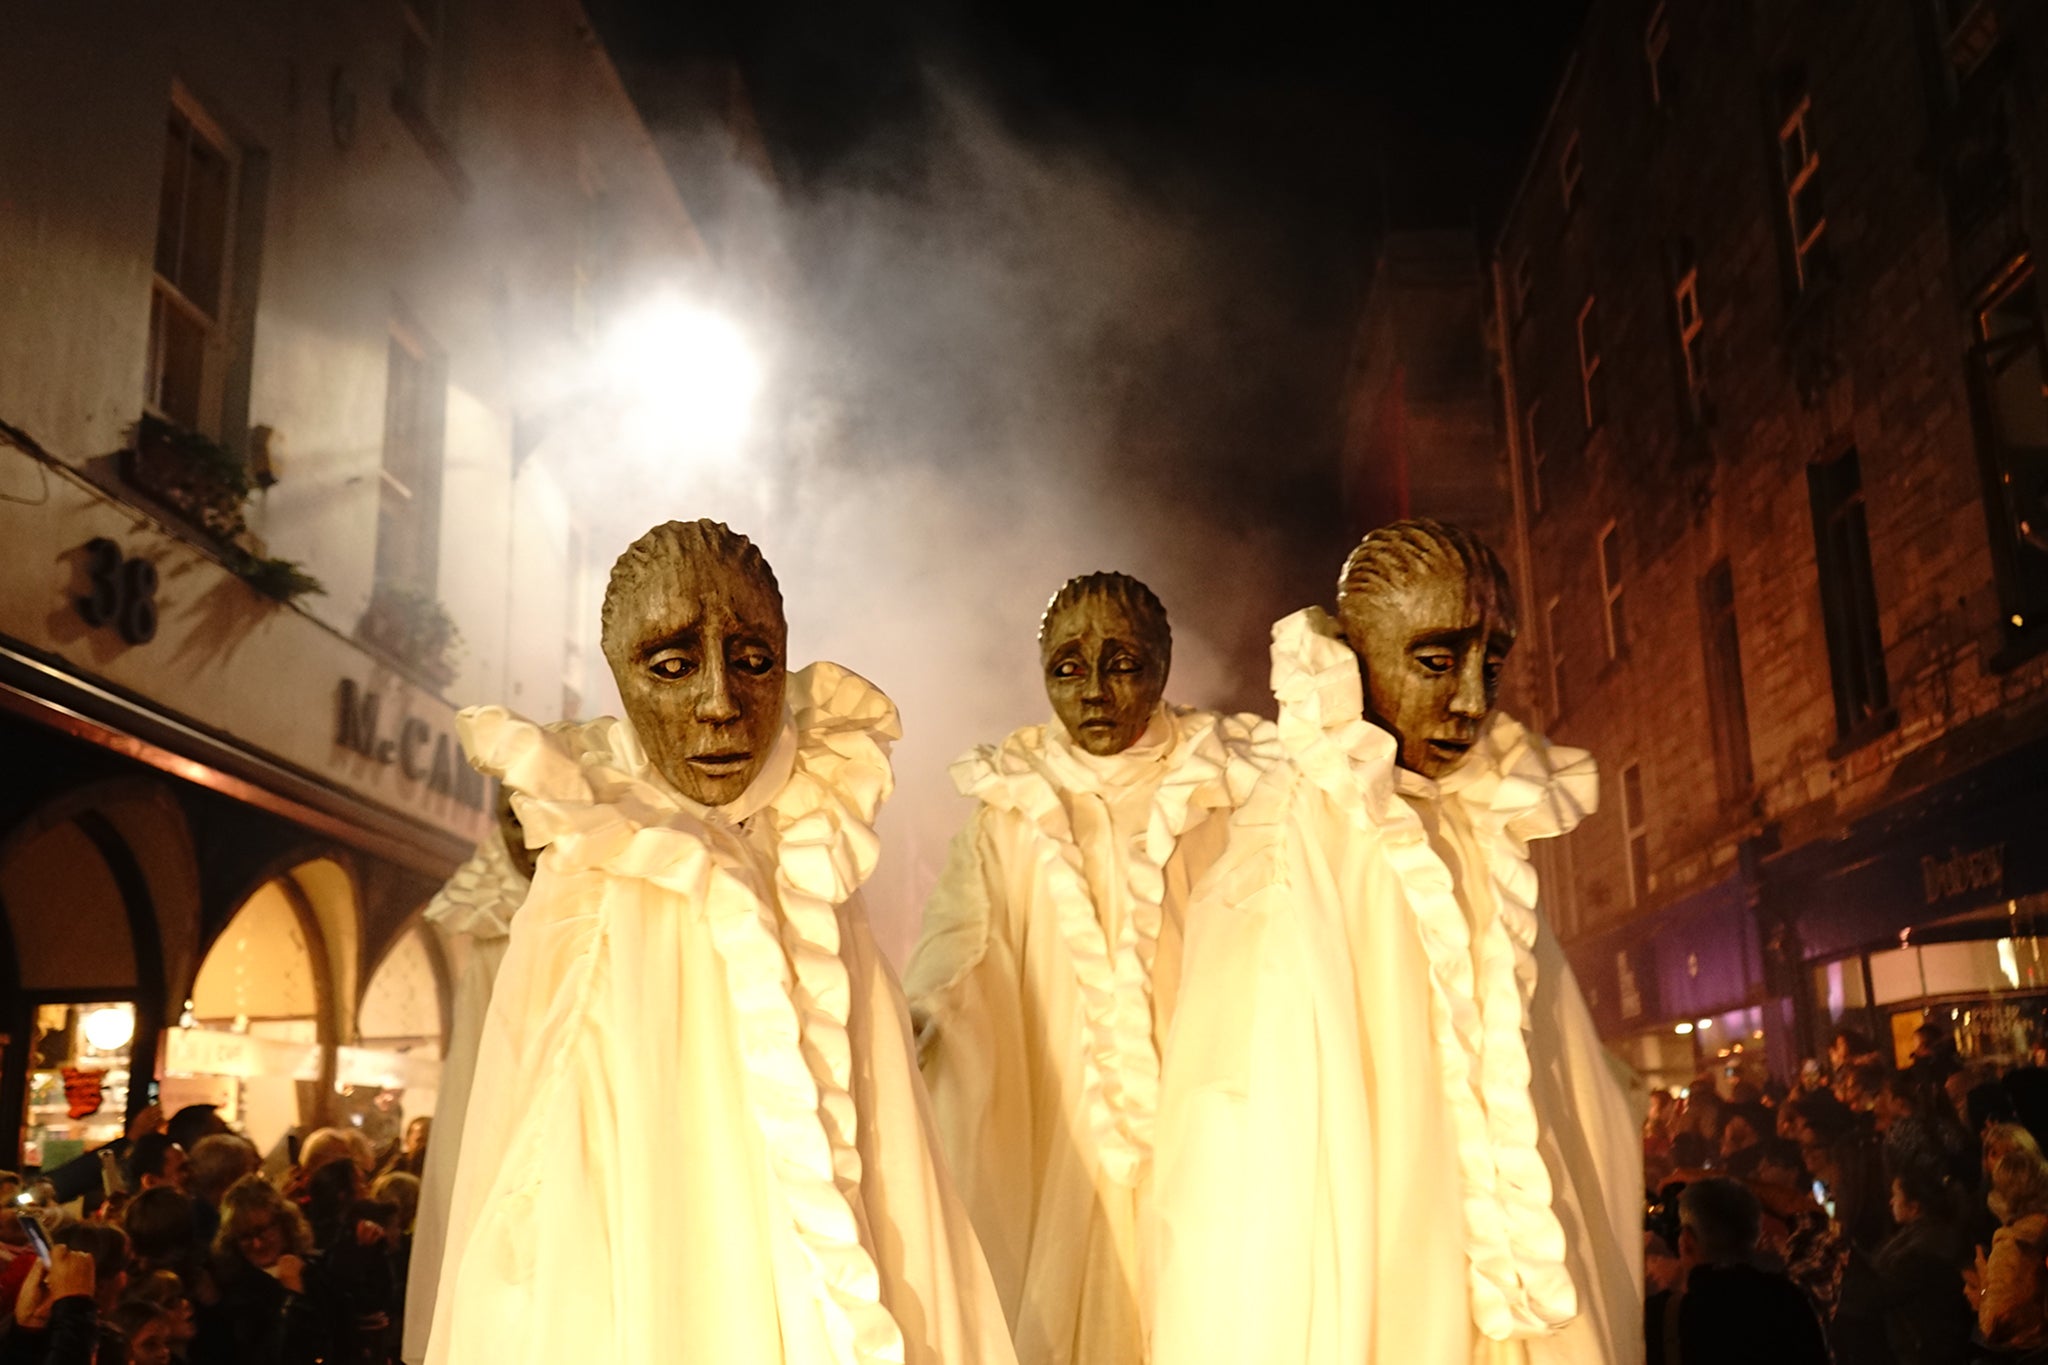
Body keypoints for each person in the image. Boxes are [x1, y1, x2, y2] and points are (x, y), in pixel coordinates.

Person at [428, 521, 1015, 1365]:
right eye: (670, 666)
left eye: (751, 660)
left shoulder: (813, 857)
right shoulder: (594, 883)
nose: (719, 702)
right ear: (624, 680)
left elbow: (893, 1172)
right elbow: (550, 1180)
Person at [1152, 520, 1640, 1365]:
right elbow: (1256, 1126)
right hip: (1373, 1269)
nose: (1472, 702)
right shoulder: (1290, 838)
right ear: (1357, 659)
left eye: (1491, 665)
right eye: (1437, 660)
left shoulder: (1477, 829)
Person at [903, 572, 1273, 1365]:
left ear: (1163, 666)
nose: (1095, 691)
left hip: (1206, 1115)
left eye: (1122, 662)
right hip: (1061, 1127)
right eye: (1069, 667)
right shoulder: (1012, 808)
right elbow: (964, 939)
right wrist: (924, 1014)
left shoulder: (1231, 788)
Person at [402, 784, 540, 1365]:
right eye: (508, 813)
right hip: (501, 1117)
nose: (522, 830)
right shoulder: (490, 935)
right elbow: (474, 1074)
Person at [1644, 1177, 1829, 1365]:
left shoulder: (1661, 1319)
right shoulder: (1791, 1303)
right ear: (1755, 1240)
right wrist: (1717, 1181)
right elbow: (1813, 1220)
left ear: (1687, 1241)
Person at [1872, 1167, 1972, 1365]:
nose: (1891, 1202)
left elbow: (1883, 1291)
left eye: (1896, 1195)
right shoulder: (1926, 1235)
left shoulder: (1923, 1248)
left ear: (1914, 1206)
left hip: (1925, 1348)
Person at [1965, 1149, 2048, 1350]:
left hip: (2029, 1348)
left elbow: (1992, 1325)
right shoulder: (2041, 1229)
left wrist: (1983, 1287)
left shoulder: (2010, 1247)